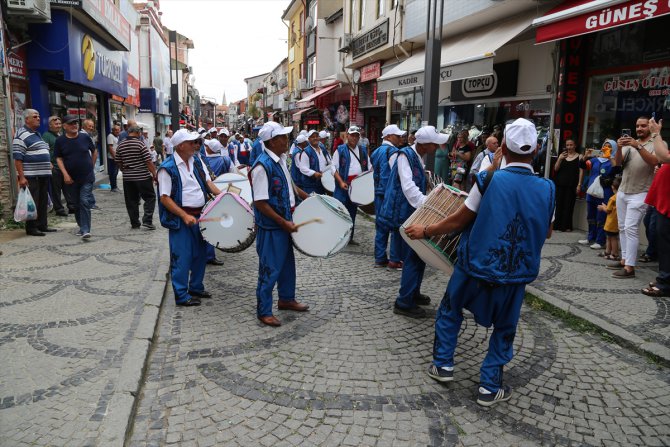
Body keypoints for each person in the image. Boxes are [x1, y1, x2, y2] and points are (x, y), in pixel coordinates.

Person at [407, 118, 554, 407]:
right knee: (505, 327)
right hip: (516, 272)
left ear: (503, 151)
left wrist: (426, 230)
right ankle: (489, 386)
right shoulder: (548, 188)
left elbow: (461, 219)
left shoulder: (488, 179)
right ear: (536, 150)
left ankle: (443, 365)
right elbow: (547, 231)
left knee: (450, 310)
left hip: (475, 265)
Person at [378, 126, 447, 317]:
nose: (437, 146)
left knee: (419, 256)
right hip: (404, 213)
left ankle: (413, 293)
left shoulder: (416, 156)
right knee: (413, 257)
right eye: (435, 143)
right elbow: (408, 187)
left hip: (411, 212)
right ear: (426, 144)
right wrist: (428, 202)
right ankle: (404, 301)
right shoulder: (404, 156)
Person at [251, 121, 310, 326]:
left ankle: (286, 299)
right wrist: (283, 222)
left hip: (285, 222)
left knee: (286, 265)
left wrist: (308, 198)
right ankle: (264, 310)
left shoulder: (281, 159)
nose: (287, 140)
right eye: (283, 137)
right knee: (269, 268)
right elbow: (260, 202)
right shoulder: (262, 166)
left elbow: (290, 186)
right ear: (272, 141)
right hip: (272, 226)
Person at [157, 129, 222, 307]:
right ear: (180, 146)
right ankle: (181, 294)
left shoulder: (196, 162)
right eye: (192, 142)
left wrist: (223, 197)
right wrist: (184, 215)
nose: (196, 145)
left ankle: (196, 287)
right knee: (182, 257)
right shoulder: (167, 168)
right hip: (181, 219)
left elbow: (208, 183)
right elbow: (164, 198)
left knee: (200, 255)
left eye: (196, 142)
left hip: (201, 216)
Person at [608, 117, 658, 279]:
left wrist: (638, 146)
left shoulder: (655, 144)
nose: (639, 128)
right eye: (637, 126)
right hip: (623, 190)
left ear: (650, 127)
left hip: (641, 192)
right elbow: (617, 164)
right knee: (622, 227)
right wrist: (619, 148)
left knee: (630, 228)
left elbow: (654, 161)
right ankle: (624, 260)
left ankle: (630, 267)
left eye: (643, 126)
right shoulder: (631, 143)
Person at [12, 108, 55, 236]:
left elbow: (39, 150)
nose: (38, 118)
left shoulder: (36, 134)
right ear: (27, 119)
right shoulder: (21, 135)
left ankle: (42, 225)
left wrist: (48, 163)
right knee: (33, 202)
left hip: (42, 174)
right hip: (31, 176)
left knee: (42, 201)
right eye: (35, 116)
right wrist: (22, 177)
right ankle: (32, 228)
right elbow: (18, 158)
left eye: (38, 116)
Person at [54, 115, 97, 240]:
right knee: (76, 204)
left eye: (76, 123)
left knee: (84, 201)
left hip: (87, 176)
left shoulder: (85, 137)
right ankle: (81, 226)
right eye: (71, 123)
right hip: (71, 178)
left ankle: (85, 229)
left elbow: (94, 151)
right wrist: (65, 174)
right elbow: (59, 158)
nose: (74, 125)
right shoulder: (60, 141)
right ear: (65, 126)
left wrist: (91, 166)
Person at [371, 124, 406, 269]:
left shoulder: (376, 151)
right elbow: (398, 172)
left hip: (379, 191)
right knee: (395, 224)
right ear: (388, 137)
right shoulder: (392, 151)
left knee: (381, 225)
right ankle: (395, 259)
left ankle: (380, 257)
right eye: (397, 136)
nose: (400, 138)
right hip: (390, 193)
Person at [641, 117, 669, 297]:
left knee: (666, 244)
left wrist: (656, 133)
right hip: (663, 201)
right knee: (663, 241)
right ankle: (664, 278)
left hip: (667, 204)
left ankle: (666, 283)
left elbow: (663, 156)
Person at [332, 126, 371, 245]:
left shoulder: (363, 150)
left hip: (357, 186)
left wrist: (366, 183)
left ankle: (349, 237)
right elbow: (333, 169)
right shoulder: (340, 150)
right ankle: (337, 238)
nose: (354, 137)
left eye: (356, 135)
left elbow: (369, 167)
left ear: (359, 137)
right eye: (352, 135)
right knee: (340, 211)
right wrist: (341, 182)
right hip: (343, 185)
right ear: (347, 136)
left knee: (352, 212)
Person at [115, 124, 158, 230]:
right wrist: (154, 174)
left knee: (131, 200)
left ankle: (135, 223)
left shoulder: (121, 145)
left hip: (128, 178)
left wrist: (123, 169)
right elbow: (148, 161)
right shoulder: (140, 144)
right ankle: (147, 220)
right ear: (138, 132)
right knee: (150, 197)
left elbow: (118, 160)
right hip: (142, 176)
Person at [578, 140, 616, 249]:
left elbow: (617, 169)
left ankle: (600, 240)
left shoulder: (613, 161)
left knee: (601, 217)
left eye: (609, 147)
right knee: (591, 216)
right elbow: (582, 165)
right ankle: (590, 237)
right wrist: (586, 156)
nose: (606, 148)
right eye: (605, 146)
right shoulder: (595, 160)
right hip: (591, 192)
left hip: (605, 193)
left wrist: (610, 157)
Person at [41, 115, 69, 216]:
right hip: (54, 167)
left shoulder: (61, 135)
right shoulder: (46, 136)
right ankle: (59, 209)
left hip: (64, 166)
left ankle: (71, 206)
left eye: (59, 124)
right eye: (56, 124)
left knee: (67, 187)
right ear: (50, 125)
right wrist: (49, 162)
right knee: (56, 189)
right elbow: (44, 150)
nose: (58, 125)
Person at [552, 138, 581, 232]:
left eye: (571, 145)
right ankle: (557, 225)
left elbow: (581, 172)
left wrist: (579, 184)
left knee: (569, 205)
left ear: (575, 145)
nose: (569, 147)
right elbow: (555, 169)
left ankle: (566, 226)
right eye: (567, 145)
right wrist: (559, 159)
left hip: (571, 184)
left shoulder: (579, 156)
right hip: (560, 183)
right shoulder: (562, 156)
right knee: (559, 204)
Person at [295, 130, 331, 194]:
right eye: (313, 137)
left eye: (317, 136)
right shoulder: (306, 151)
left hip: (322, 183)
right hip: (310, 185)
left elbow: (329, 161)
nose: (315, 138)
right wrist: (314, 173)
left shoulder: (323, 149)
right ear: (309, 139)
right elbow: (303, 168)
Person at [597, 177, 620, 260]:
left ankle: (614, 253)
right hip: (616, 221)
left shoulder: (612, 198)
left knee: (612, 238)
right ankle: (608, 251)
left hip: (611, 221)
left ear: (612, 187)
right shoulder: (620, 197)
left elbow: (608, 210)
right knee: (610, 237)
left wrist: (603, 207)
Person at [107, 124, 121, 192]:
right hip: (112, 158)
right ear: (112, 130)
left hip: (116, 157)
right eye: (115, 130)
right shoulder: (110, 136)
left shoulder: (117, 137)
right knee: (112, 173)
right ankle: (113, 187)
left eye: (118, 130)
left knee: (115, 173)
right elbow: (110, 148)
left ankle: (115, 186)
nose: (117, 131)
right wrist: (115, 158)